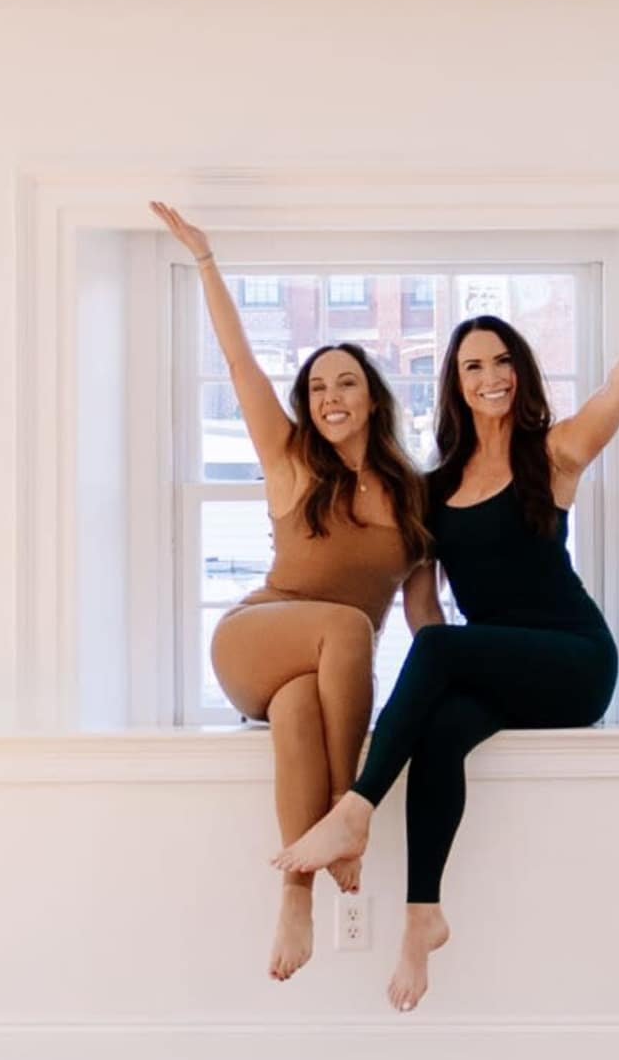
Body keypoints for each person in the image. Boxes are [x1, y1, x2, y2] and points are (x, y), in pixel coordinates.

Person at [281, 285, 619, 1010]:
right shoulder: (434, 489)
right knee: (441, 728)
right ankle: (423, 916)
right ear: (456, 383)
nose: (491, 377)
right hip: (501, 666)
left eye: (502, 361)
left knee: (443, 651)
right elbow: (422, 607)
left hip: (575, 661)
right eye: (473, 366)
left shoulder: (553, 454)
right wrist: (437, 674)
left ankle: (356, 808)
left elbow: (613, 397)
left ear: (520, 371)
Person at [154, 209, 427, 983]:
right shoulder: (291, 460)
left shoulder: (413, 495)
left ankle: (295, 895)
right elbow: (240, 362)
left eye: (346, 382)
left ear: (372, 397)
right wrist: (207, 261)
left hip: (316, 672)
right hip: (253, 640)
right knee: (346, 626)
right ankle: (347, 814)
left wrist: (451, 688)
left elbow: (425, 619)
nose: (330, 396)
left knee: (302, 705)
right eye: (317, 386)